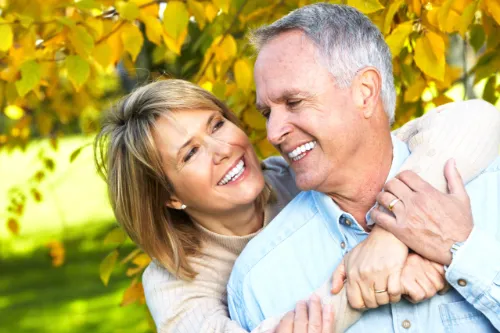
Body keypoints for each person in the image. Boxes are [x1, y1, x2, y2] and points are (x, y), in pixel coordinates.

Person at [94, 79, 497, 333]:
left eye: (217, 125)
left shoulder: (298, 173)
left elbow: (472, 122)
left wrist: (392, 238)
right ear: (171, 197)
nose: (223, 150)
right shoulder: (175, 279)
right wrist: (382, 281)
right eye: (190, 153)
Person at [227, 3, 500, 333]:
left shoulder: (491, 191)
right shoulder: (259, 279)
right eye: (268, 113)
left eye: (294, 102)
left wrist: (463, 253)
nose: (273, 133)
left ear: (365, 92)